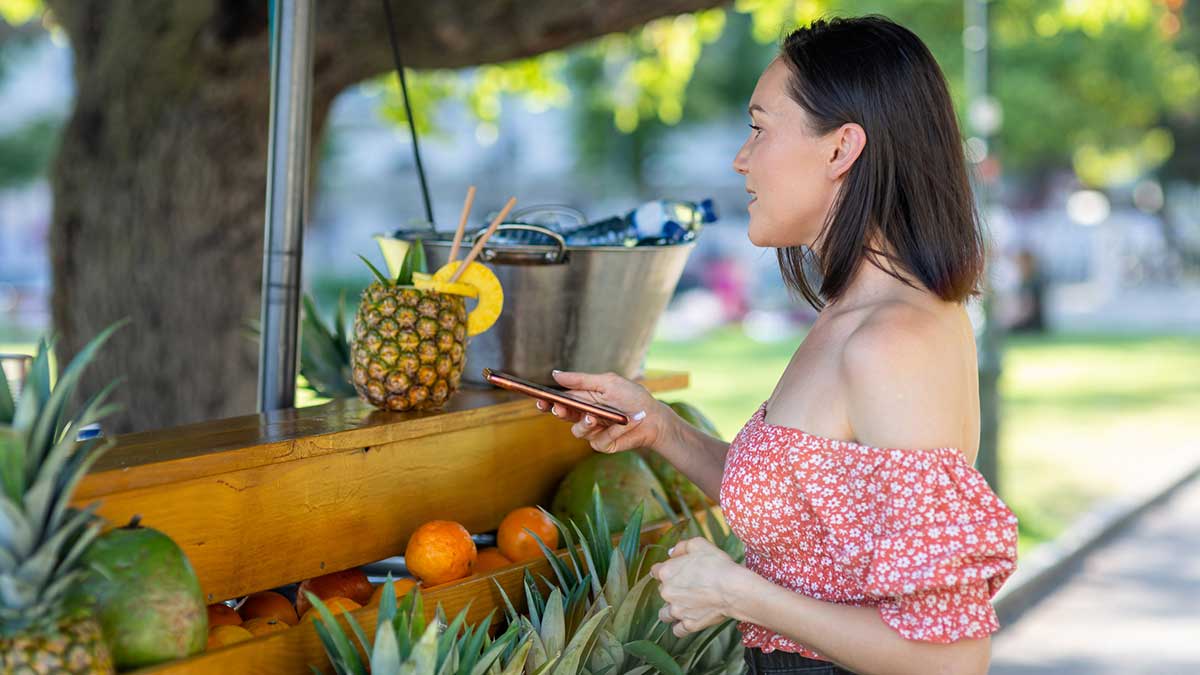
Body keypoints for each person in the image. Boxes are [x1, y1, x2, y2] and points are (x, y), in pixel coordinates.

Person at [534, 15, 1019, 675]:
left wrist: (739, 593)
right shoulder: (851, 315)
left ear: (841, 148)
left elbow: (951, 658)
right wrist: (658, 428)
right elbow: (811, 514)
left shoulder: (890, 341)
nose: (741, 157)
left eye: (759, 128)